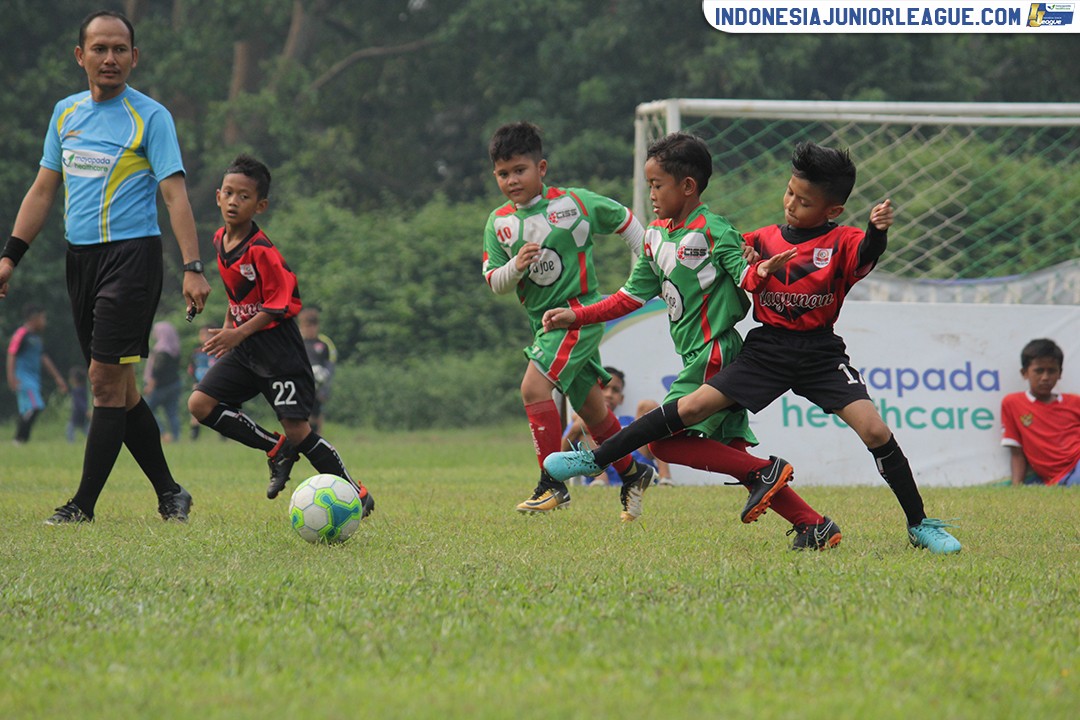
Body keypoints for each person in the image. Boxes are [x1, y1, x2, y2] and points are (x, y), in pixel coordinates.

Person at [546, 140, 962, 554]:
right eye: (789, 192)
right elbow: (727, 266)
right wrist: (750, 264)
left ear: (832, 211)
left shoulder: (844, 242)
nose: (790, 204)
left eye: (804, 200)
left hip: (820, 353)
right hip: (767, 351)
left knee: (875, 430)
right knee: (689, 412)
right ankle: (600, 459)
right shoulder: (757, 239)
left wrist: (877, 231)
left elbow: (868, 253)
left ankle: (920, 524)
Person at [544, 133, 841, 550]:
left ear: (688, 186)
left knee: (663, 439)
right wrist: (577, 314)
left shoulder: (715, 229)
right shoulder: (655, 238)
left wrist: (762, 272)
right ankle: (814, 525)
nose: (651, 194)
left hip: (716, 352)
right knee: (736, 454)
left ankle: (599, 456)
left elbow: (744, 275)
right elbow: (628, 297)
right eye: (648, 185)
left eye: (657, 184)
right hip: (697, 355)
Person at [0, 10, 210, 524]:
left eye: (120, 49)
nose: (110, 58)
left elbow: (174, 195)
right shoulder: (65, 114)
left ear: (134, 57)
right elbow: (43, 190)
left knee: (102, 382)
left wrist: (192, 265)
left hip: (132, 259)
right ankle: (171, 493)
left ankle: (82, 506)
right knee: (123, 388)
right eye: (99, 49)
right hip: (81, 260)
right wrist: (9, 255)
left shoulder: (151, 117)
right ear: (81, 56)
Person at [482, 121, 656, 521]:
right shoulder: (499, 223)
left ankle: (551, 484)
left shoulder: (573, 204)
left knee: (532, 387)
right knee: (593, 412)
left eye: (520, 170)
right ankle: (633, 472)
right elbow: (495, 282)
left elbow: (626, 221)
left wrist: (652, 267)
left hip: (578, 315)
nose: (512, 180)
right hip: (543, 325)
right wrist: (516, 266)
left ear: (541, 168)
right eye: (503, 174)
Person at [187, 154, 373, 517]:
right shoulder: (219, 240)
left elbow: (279, 305)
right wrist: (229, 328)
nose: (233, 201)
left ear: (261, 205)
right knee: (200, 405)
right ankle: (276, 450)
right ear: (217, 196)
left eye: (244, 196)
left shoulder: (262, 251)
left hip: (278, 351)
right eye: (228, 193)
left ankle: (356, 493)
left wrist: (236, 334)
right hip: (244, 347)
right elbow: (237, 294)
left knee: (299, 430)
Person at [562, 368, 672, 487]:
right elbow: (561, 452)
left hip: (636, 463)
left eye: (615, 390)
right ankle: (600, 481)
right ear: (593, 393)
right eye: (603, 388)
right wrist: (577, 427)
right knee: (585, 421)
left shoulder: (630, 420)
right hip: (602, 467)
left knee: (647, 406)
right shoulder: (579, 420)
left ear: (621, 398)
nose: (609, 394)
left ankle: (665, 479)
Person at [1000, 338, 1080, 486]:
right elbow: (1016, 452)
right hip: (1059, 478)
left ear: (1060, 373)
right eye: (1039, 371)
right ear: (1024, 373)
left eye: (1051, 371)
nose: (1045, 377)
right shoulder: (1012, 403)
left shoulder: (1075, 402)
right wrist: (1016, 487)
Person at [6, 304, 68, 444]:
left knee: (28, 409)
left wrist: (58, 378)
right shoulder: (21, 334)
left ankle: (21, 441)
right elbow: (11, 354)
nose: (45, 321)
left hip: (34, 380)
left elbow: (44, 358)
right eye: (43, 318)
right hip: (23, 379)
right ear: (34, 318)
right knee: (35, 406)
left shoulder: (37, 339)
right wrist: (11, 377)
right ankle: (19, 439)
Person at [298, 307, 337, 434]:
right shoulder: (297, 342)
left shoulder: (325, 343)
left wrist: (325, 387)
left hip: (319, 386)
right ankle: (303, 439)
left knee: (317, 413)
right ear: (301, 326)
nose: (310, 329)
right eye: (307, 326)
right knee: (302, 415)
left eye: (313, 326)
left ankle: (319, 438)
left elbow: (331, 365)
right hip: (301, 385)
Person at [144, 320, 183, 442]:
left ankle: (162, 433)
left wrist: (150, 385)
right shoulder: (175, 349)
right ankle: (176, 437)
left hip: (160, 387)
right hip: (175, 384)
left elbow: (157, 370)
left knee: (147, 409)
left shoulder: (161, 351)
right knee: (172, 413)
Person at [187, 325, 216, 440]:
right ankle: (194, 437)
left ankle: (224, 436)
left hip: (216, 385)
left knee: (221, 407)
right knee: (195, 412)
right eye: (202, 335)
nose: (205, 337)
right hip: (200, 384)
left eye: (208, 335)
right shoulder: (197, 353)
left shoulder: (218, 350)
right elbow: (192, 369)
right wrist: (194, 382)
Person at [66, 366, 90, 443]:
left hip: (77, 414)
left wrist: (86, 411)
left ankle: (71, 443)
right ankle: (92, 440)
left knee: (70, 428)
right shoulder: (83, 389)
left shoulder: (77, 390)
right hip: (82, 414)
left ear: (74, 379)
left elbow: (79, 402)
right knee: (85, 428)